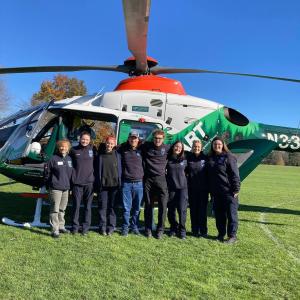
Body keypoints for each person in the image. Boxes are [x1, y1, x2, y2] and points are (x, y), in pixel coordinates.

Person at [206, 136, 240, 243]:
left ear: (223, 145)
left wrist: (236, 189)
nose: (217, 146)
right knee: (219, 215)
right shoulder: (210, 158)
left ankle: (232, 236)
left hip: (229, 191)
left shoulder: (229, 157)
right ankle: (220, 234)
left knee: (231, 214)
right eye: (215, 144)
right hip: (216, 192)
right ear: (212, 145)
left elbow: (235, 174)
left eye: (219, 144)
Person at [141, 129, 170, 239]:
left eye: (159, 138)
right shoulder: (146, 146)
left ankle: (160, 230)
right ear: (153, 138)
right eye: (156, 138)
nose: (157, 140)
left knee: (163, 205)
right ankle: (148, 229)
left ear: (163, 139)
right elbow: (132, 145)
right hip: (148, 180)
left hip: (161, 179)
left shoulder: (167, 148)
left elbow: (178, 152)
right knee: (148, 205)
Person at [44, 139, 73, 238]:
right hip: (55, 188)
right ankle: (54, 230)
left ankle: (61, 226)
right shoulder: (53, 159)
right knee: (55, 209)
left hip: (66, 188)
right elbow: (47, 174)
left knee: (62, 209)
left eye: (65, 146)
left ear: (68, 148)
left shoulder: (69, 159)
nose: (63, 148)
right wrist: (49, 185)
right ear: (58, 147)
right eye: (61, 146)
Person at [118, 130, 144, 236]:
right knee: (126, 208)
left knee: (137, 208)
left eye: (135, 138)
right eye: (132, 138)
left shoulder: (142, 150)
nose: (133, 140)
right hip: (126, 184)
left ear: (138, 140)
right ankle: (125, 228)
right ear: (129, 139)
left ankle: (134, 226)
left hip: (139, 184)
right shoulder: (122, 150)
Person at [70, 131, 96, 235]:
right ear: (79, 139)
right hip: (77, 183)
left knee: (88, 207)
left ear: (90, 141)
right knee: (76, 206)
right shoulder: (73, 150)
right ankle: (75, 228)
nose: (84, 141)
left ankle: (85, 229)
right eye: (83, 139)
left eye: (87, 139)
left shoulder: (93, 150)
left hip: (89, 184)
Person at [97, 136, 122, 236]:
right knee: (103, 207)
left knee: (112, 208)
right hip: (103, 186)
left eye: (112, 144)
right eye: (108, 143)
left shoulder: (118, 155)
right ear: (105, 143)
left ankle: (111, 227)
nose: (109, 145)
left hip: (115, 186)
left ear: (114, 145)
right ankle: (102, 227)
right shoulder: (100, 155)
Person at [186, 140, 209, 237]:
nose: (197, 148)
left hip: (203, 190)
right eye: (195, 146)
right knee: (193, 210)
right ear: (192, 147)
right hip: (192, 189)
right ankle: (194, 230)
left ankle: (203, 231)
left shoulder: (206, 158)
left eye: (198, 146)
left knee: (202, 211)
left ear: (202, 147)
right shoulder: (188, 158)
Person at [166, 141, 188, 239]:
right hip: (171, 188)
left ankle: (182, 230)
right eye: (176, 146)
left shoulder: (185, 159)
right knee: (171, 210)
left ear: (182, 149)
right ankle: (173, 227)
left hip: (182, 189)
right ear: (173, 147)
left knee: (182, 210)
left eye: (180, 147)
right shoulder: (168, 158)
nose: (178, 148)